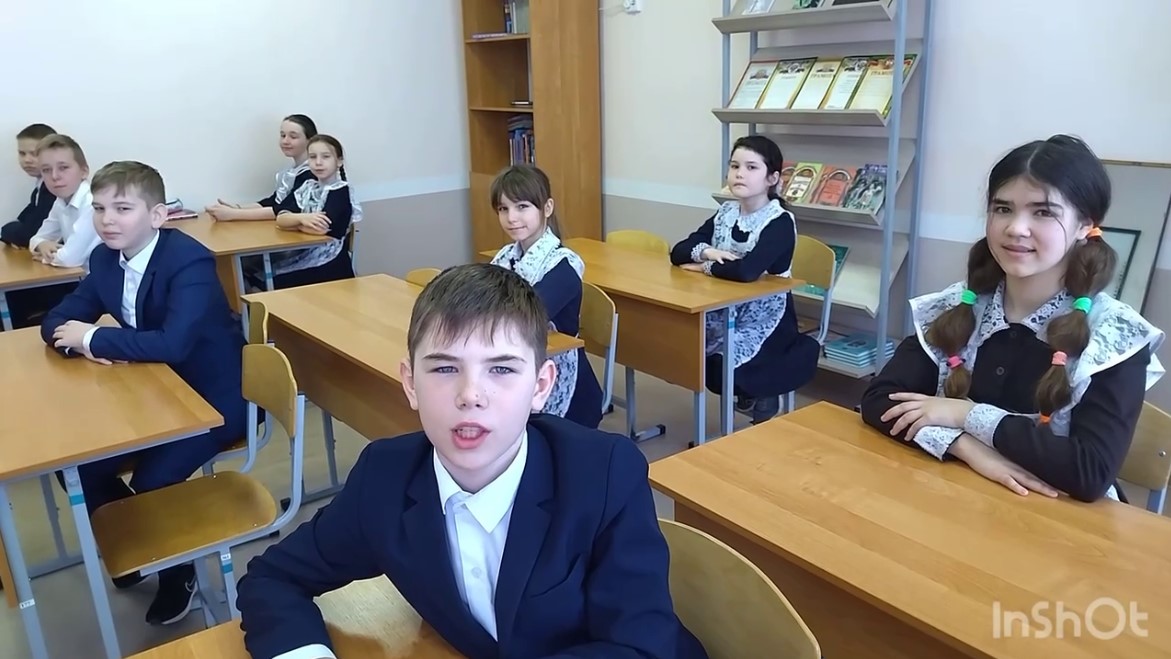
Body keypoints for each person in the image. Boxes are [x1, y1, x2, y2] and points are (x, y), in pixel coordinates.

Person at [236, 263, 707, 659]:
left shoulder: (604, 474)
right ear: (411, 384)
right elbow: (273, 577)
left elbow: (639, 648)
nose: (470, 396)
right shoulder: (384, 478)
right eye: (445, 368)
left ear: (541, 386)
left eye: (501, 369)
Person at [860, 134, 1165, 502]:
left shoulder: (1115, 335)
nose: (1016, 228)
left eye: (1043, 212)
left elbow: (1089, 472)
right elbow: (879, 400)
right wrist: (966, 447)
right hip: (955, 498)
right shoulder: (956, 306)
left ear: (1085, 225)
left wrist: (966, 415)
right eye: (1003, 209)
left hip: (1056, 519)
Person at [42, 160, 247, 625]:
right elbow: (56, 321)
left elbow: (174, 344)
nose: (107, 220)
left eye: (122, 208)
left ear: (156, 215)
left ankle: (179, 573)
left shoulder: (189, 261)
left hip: (214, 399)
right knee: (79, 466)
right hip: (154, 392)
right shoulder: (103, 259)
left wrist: (94, 338)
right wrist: (80, 342)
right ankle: (138, 544)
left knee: (153, 481)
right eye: (99, 208)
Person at [670, 135, 819, 424]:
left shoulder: (779, 221)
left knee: (718, 363)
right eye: (735, 166)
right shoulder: (726, 212)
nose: (740, 174)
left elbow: (747, 272)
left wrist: (704, 266)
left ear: (772, 178)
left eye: (751, 167)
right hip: (723, 306)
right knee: (679, 343)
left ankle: (762, 391)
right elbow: (678, 252)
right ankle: (750, 393)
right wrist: (710, 251)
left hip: (766, 316)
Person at [487, 164, 604, 428]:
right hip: (518, 363)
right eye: (503, 209)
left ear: (547, 208)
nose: (511, 217)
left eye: (522, 207)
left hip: (564, 381)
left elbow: (523, 315)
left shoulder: (564, 265)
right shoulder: (506, 257)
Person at [266, 134, 355, 288]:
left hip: (329, 263)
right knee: (255, 274)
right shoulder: (307, 187)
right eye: (313, 157)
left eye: (325, 157)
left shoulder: (340, 191)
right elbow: (280, 218)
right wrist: (303, 219)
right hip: (304, 254)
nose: (318, 162)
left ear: (339, 161)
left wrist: (294, 222)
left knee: (268, 281)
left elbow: (320, 229)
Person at [27, 133, 102, 269]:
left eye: (63, 168)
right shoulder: (60, 201)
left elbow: (69, 259)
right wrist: (41, 245)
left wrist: (45, 257)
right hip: (75, 275)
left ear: (84, 171)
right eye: (46, 170)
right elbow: (36, 239)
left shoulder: (93, 204)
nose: (54, 176)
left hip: (97, 279)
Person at [1, 123, 57, 248]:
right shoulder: (40, 187)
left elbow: (30, 234)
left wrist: (6, 231)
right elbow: (24, 220)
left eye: (35, 154)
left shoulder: (53, 189)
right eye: (22, 153)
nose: (27, 160)